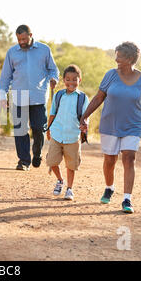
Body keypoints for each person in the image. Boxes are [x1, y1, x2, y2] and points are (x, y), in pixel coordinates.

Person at [80, 42, 141, 213]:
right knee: (110, 160)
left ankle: (127, 199)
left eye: (119, 57)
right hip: (110, 125)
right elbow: (99, 98)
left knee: (129, 158)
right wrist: (85, 116)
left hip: (133, 126)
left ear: (130, 59)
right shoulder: (111, 75)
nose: (116, 60)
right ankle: (109, 187)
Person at [0, 25, 59, 171]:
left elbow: (53, 69)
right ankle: (24, 161)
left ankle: (36, 154)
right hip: (19, 96)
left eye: (24, 39)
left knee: (39, 129)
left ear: (31, 35)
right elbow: (6, 75)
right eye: (19, 39)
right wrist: (2, 95)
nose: (21, 42)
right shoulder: (12, 52)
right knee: (20, 130)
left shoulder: (44, 50)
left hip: (38, 96)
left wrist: (53, 79)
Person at [45, 65, 89, 201]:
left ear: (79, 80)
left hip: (73, 136)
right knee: (51, 161)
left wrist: (85, 125)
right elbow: (52, 113)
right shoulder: (59, 95)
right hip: (57, 133)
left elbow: (86, 115)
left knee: (71, 165)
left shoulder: (82, 98)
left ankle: (69, 189)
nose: (71, 82)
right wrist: (48, 128)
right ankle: (60, 180)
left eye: (74, 79)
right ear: (64, 80)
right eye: (68, 79)